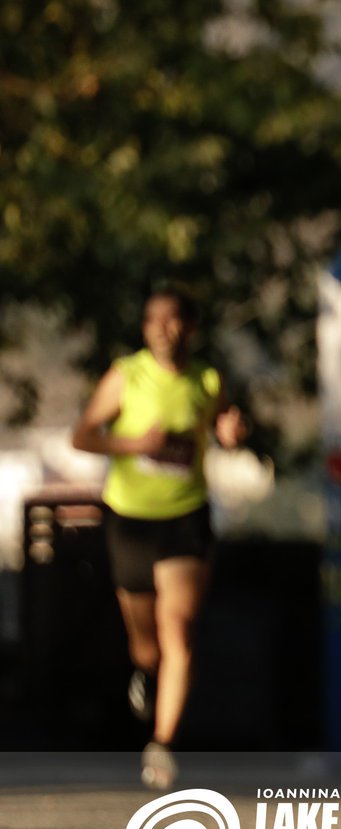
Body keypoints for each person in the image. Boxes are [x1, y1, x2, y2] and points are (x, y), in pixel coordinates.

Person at [71, 289, 247, 790]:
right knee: (146, 645)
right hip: (131, 520)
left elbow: (224, 426)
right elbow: (82, 436)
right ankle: (145, 673)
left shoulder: (206, 379)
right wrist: (136, 444)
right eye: (153, 320)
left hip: (185, 518)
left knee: (179, 630)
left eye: (172, 320)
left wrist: (231, 433)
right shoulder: (127, 375)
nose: (162, 328)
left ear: (190, 328)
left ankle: (162, 744)